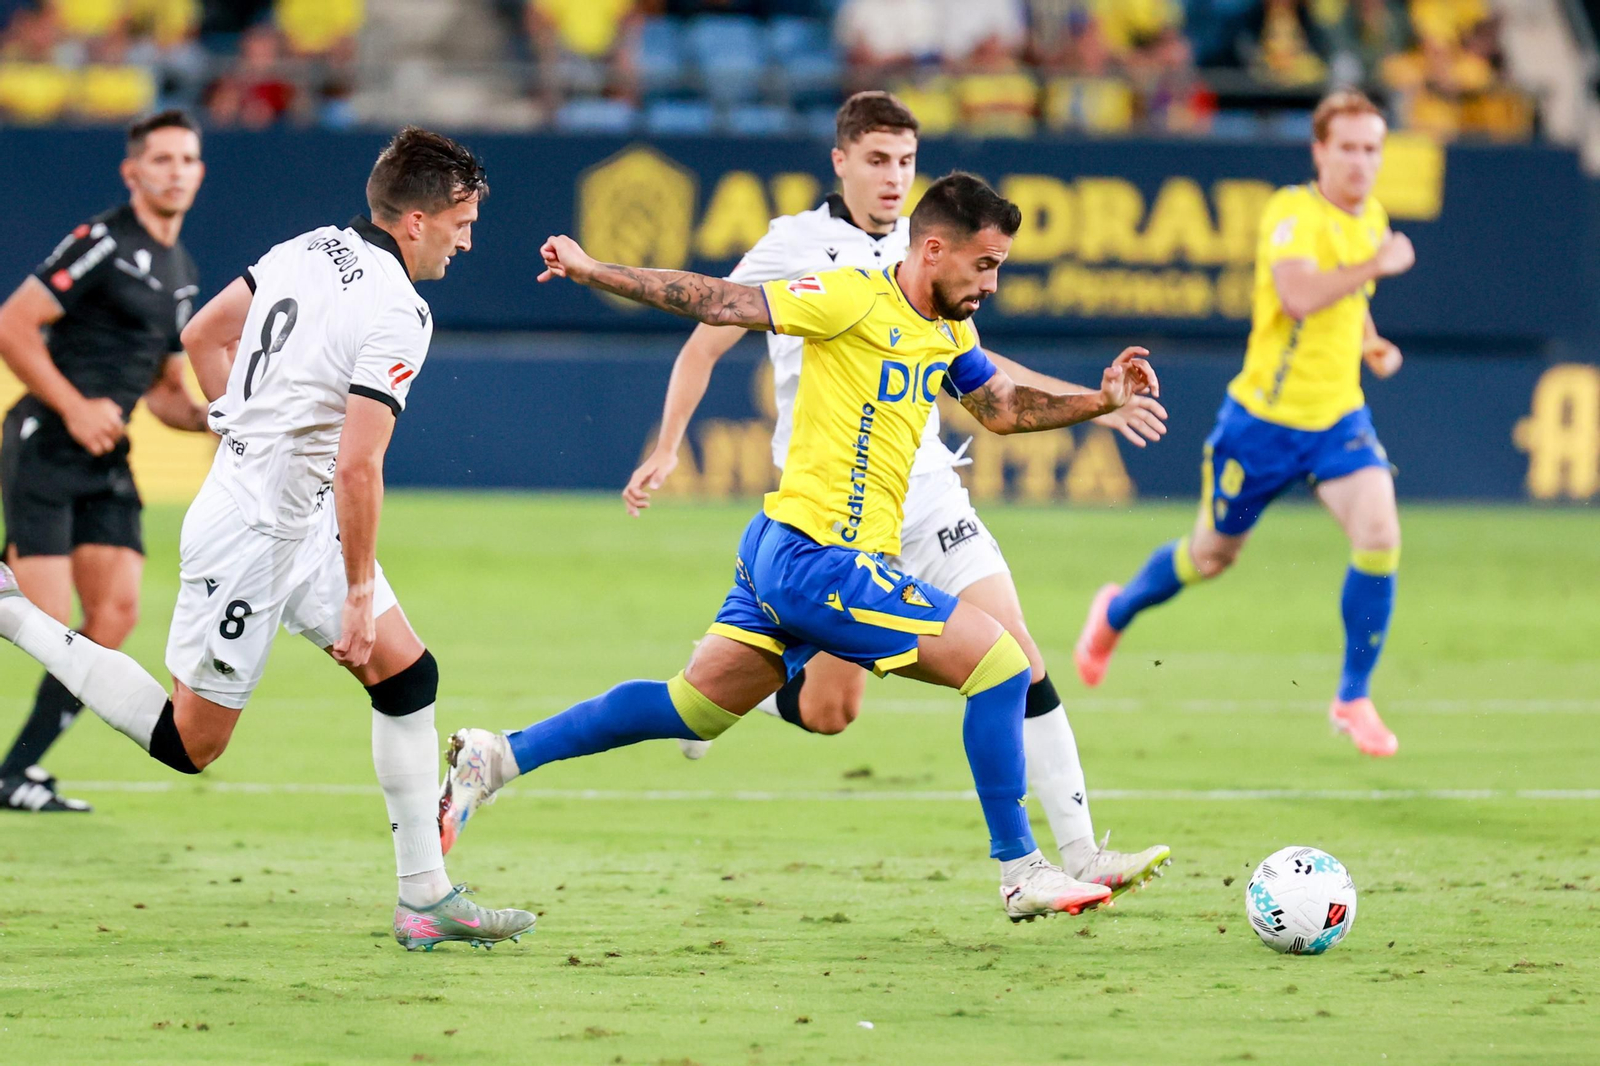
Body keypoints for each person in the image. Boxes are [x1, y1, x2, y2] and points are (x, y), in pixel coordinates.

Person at [441, 172, 1161, 922]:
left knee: (692, 709)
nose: (993, 283)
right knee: (1002, 664)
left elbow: (1003, 409)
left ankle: (498, 756)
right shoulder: (849, 297)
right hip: (824, 560)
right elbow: (721, 302)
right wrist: (595, 271)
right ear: (934, 250)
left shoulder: (951, 330)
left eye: (1000, 266)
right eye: (984, 265)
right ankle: (1022, 870)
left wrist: (1099, 401)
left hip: (782, 549)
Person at [622, 90, 1171, 895]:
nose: (892, 177)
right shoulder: (795, 244)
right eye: (877, 160)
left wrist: (1094, 403)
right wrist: (667, 445)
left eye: (906, 162)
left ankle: (1080, 851)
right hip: (834, 512)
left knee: (1018, 652)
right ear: (840, 161)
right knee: (831, 712)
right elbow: (708, 340)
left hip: (928, 493)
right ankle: (727, 693)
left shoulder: (930, 254)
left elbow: (980, 370)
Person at [0, 126, 534, 951]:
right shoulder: (400, 310)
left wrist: (243, 426)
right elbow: (359, 466)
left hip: (288, 508)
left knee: (407, 676)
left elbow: (202, 336)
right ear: (417, 221)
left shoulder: (310, 245)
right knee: (189, 744)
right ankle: (12, 611)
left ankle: (425, 898)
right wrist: (357, 591)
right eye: (461, 222)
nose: (467, 240)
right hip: (255, 534)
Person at [1074, 90, 1413, 758]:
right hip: (1261, 425)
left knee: (1380, 535)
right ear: (1320, 151)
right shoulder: (1293, 213)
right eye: (1348, 147)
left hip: (1337, 419)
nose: (1361, 162)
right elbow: (1299, 295)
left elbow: (1349, 300)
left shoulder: (1371, 217)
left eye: (1372, 149)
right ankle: (1114, 611)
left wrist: (1370, 341)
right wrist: (1377, 264)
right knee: (1210, 556)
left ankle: (1352, 696)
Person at [0, 110, 209, 813]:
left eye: (187, 160)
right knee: (40, 619)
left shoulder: (182, 273)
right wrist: (74, 405)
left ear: (200, 173)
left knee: (113, 616)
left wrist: (219, 419)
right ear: (132, 172)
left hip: (106, 457)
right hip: (47, 444)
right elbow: (13, 324)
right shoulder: (102, 241)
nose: (176, 172)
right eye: (162, 159)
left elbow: (166, 394)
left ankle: (14, 773)